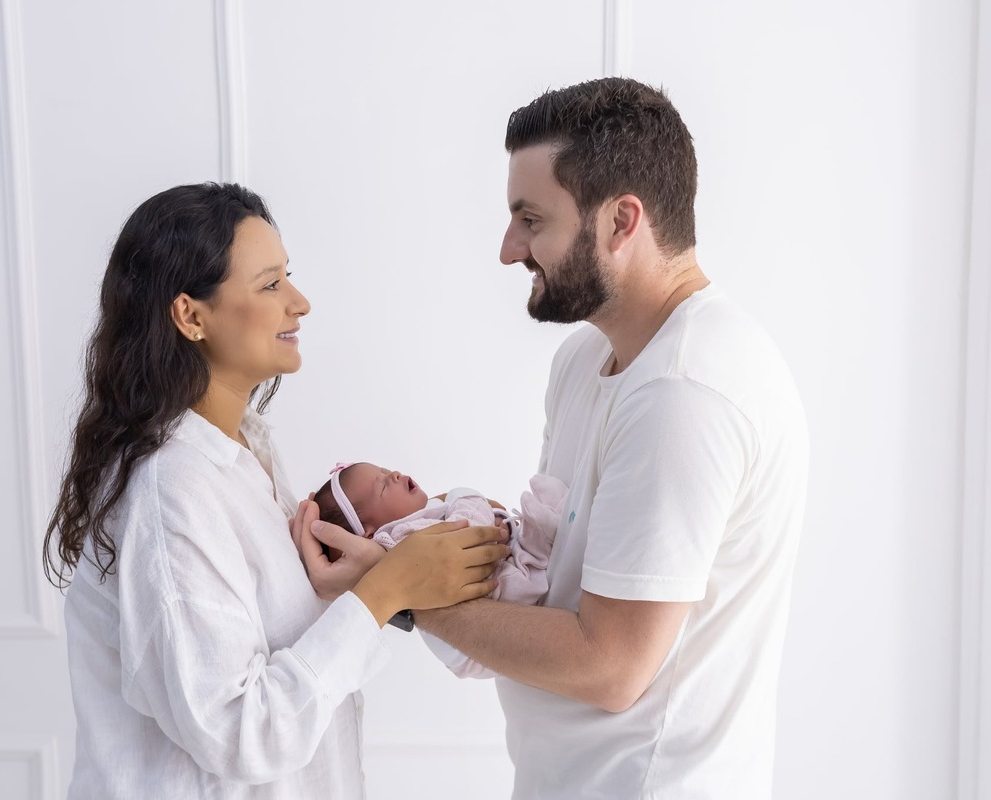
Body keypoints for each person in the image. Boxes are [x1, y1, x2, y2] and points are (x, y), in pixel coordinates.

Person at [294, 78, 809, 799]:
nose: (509, 249)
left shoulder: (684, 394)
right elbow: (553, 587)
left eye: (531, 220)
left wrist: (395, 592)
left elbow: (610, 666)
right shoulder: (583, 360)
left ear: (621, 221)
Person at [41, 182, 509, 800]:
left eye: (289, 276)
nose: (300, 302)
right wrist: (383, 592)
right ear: (191, 316)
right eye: (270, 285)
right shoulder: (172, 487)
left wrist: (370, 584)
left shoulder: (244, 451)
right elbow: (240, 734)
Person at [313, 462, 566, 678]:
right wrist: (465, 499)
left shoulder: (427, 513)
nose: (395, 475)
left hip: (477, 628)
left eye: (386, 471)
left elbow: (484, 523)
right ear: (369, 535)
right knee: (519, 572)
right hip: (469, 643)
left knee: (514, 557)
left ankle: (537, 542)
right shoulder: (398, 539)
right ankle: (540, 539)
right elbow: (467, 533)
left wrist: (496, 519)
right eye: (382, 487)